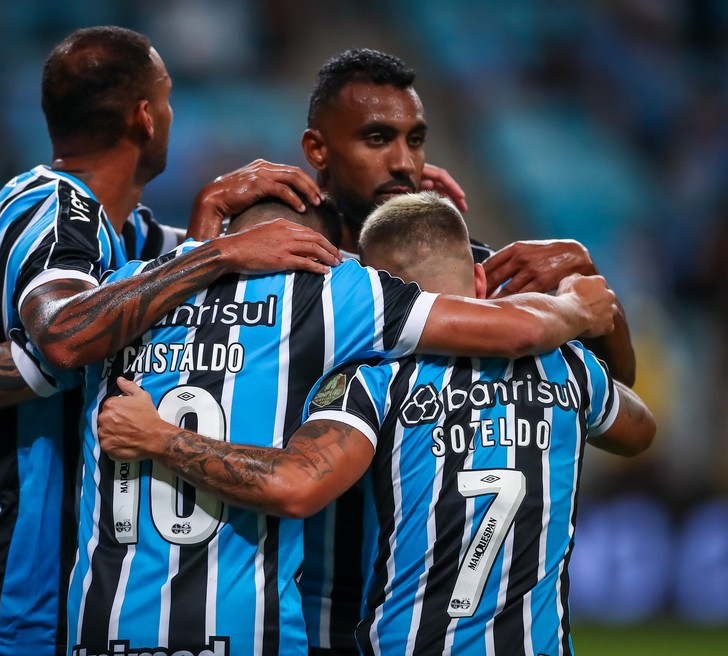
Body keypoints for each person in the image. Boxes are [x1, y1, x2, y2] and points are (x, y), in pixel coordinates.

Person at [0, 25, 343, 656]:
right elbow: (62, 333)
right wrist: (220, 250)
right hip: (9, 592)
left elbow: (168, 289)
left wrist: (212, 217)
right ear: (146, 117)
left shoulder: (116, 230)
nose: (173, 115)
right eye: (168, 100)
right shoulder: (59, 210)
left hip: (45, 591)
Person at [96, 191, 655, 655]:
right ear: (481, 283)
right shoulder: (571, 368)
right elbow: (640, 430)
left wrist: (160, 437)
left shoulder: (374, 381)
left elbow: (294, 483)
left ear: (382, 291)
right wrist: (600, 314)